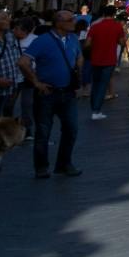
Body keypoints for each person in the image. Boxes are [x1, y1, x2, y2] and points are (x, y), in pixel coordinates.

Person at [25, 10, 85, 179]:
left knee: (71, 129)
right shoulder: (42, 41)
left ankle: (64, 164)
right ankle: (41, 167)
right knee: (43, 132)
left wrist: (77, 72)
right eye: (70, 20)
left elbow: (79, 56)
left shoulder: (73, 39)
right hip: (47, 93)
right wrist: (36, 82)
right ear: (59, 23)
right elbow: (23, 62)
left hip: (68, 92)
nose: (74, 22)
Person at [84, 5, 126, 120]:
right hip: (109, 60)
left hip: (95, 59)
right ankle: (96, 110)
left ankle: (94, 107)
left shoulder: (95, 26)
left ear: (103, 14)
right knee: (103, 85)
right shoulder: (117, 27)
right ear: (114, 14)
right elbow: (122, 43)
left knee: (95, 84)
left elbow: (87, 44)